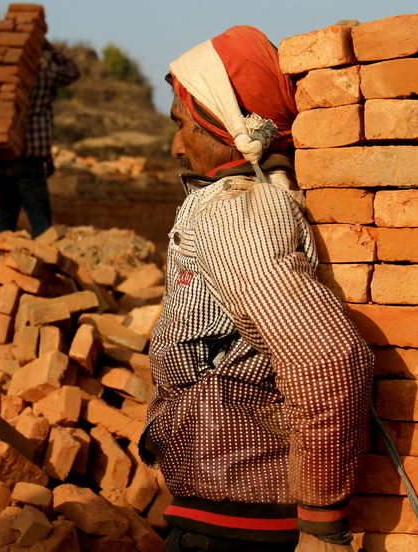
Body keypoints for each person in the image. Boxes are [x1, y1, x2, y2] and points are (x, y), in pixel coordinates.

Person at [137, 26, 373, 552]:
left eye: (183, 125)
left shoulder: (234, 211)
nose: (176, 148)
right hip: (225, 514)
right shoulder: (246, 202)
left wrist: (321, 527)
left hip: (238, 529)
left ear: (221, 121)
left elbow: (327, 359)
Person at [0, 41, 79, 239]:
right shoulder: (44, 77)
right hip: (28, 161)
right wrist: (52, 50)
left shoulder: (1, 82)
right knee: (39, 216)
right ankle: (44, 262)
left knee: (5, 213)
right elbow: (72, 72)